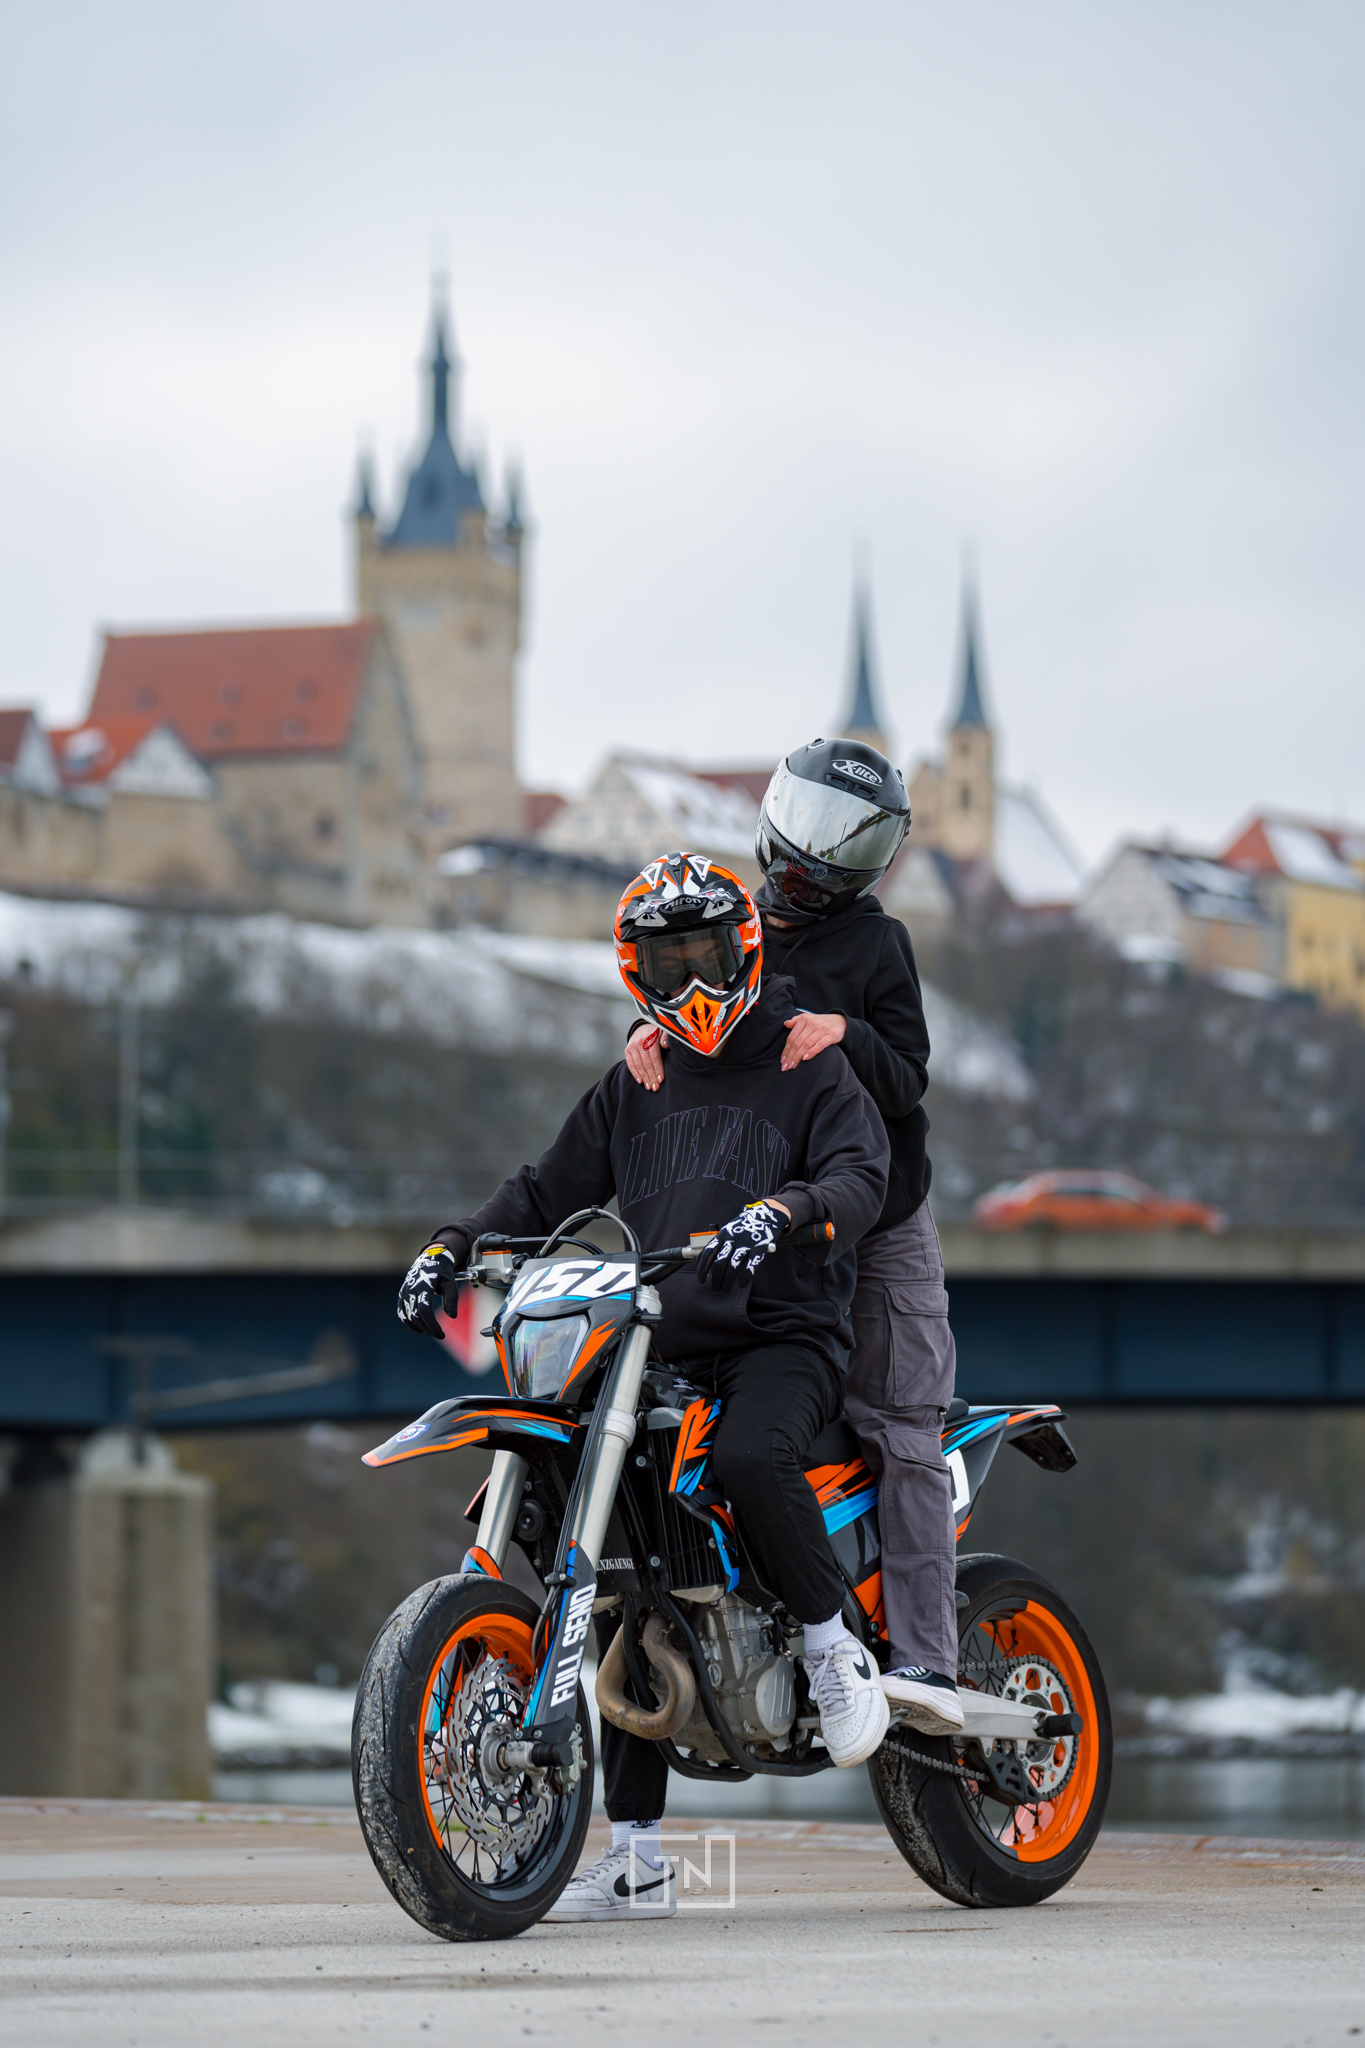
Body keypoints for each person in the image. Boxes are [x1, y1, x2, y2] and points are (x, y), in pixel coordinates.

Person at [398, 852, 891, 1921]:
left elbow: (862, 1174)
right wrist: (453, 1243)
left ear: (744, 950)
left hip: (782, 1338)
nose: (693, 980)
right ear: (638, 972)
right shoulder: (638, 1078)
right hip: (656, 1347)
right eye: (670, 962)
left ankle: (830, 1645)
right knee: (617, 1564)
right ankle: (637, 1859)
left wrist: (786, 1212)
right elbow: (546, 1187)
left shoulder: (807, 1059)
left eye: (708, 953)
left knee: (753, 1455)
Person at [625, 739, 964, 1739]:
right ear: (774, 814)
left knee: (898, 1425)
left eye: (846, 842)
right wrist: (649, 1034)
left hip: (878, 1217)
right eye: (811, 827)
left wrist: (846, 1032)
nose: (816, 857)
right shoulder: (732, 922)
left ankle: (929, 1660)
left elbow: (909, 1077)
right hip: (771, 1221)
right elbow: (697, 1016)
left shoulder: (876, 944)